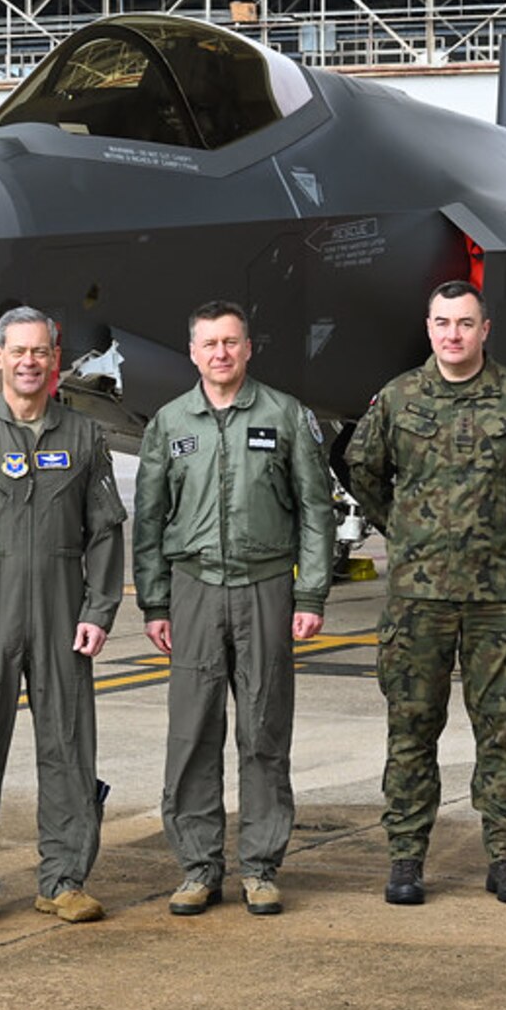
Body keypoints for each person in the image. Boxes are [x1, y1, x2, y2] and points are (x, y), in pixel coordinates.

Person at [345, 280, 506, 905]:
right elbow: (362, 470)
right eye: (443, 322)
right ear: (429, 329)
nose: (453, 334)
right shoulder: (398, 399)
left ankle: (505, 859)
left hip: (498, 599)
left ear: (484, 330)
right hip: (419, 600)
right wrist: (406, 527)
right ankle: (405, 859)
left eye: (465, 323)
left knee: (502, 731)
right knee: (411, 730)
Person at [0, 306, 127, 927]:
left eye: (41, 351)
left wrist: (100, 608)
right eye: (19, 351)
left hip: (63, 612)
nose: (30, 361)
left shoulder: (86, 438)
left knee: (68, 749)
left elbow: (106, 533)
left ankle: (63, 880)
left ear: (54, 359)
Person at [134, 300, 335, 918]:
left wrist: (311, 593)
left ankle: (261, 866)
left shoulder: (286, 415)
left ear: (249, 347)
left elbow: (315, 509)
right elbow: (148, 518)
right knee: (192, 733)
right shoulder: (169, 423)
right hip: (193, 590)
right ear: (193, 352)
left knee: (264, 731)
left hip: (265, 585)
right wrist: (155, 599)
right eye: (209, 344)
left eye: (231, 342)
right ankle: (198, 868)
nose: (220, 353)